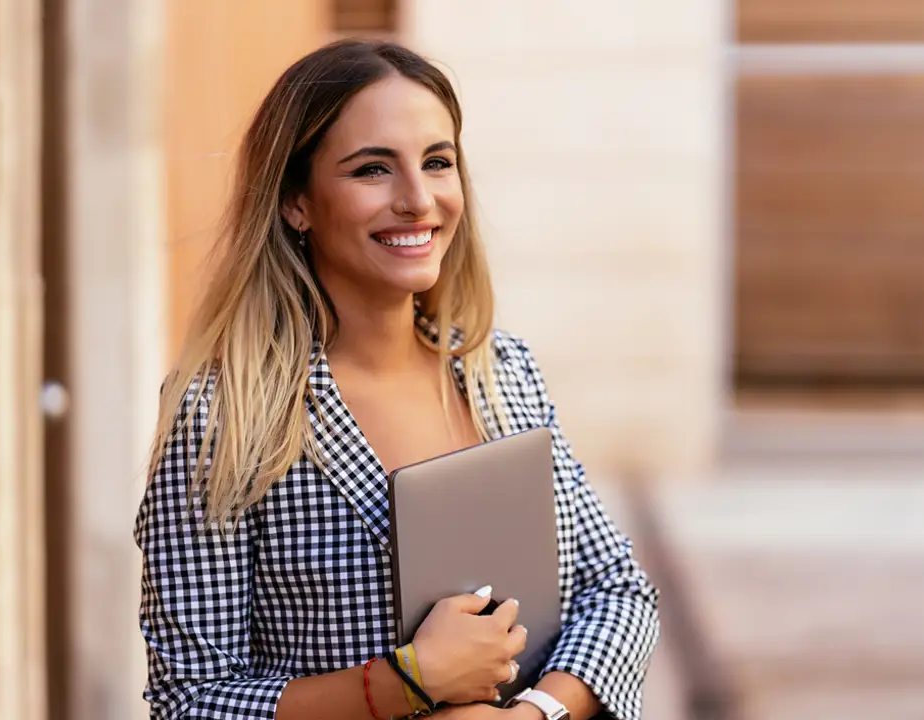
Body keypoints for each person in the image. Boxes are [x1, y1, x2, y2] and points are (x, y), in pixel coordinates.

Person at [135, 39, 660, 720]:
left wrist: (533, 715)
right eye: (372, 170)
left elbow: (616, 591)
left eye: (437, 163)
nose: (418, 200)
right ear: (297, 202)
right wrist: (407, 680)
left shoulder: (500, 372)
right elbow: (192, 701)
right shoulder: (224, 416)